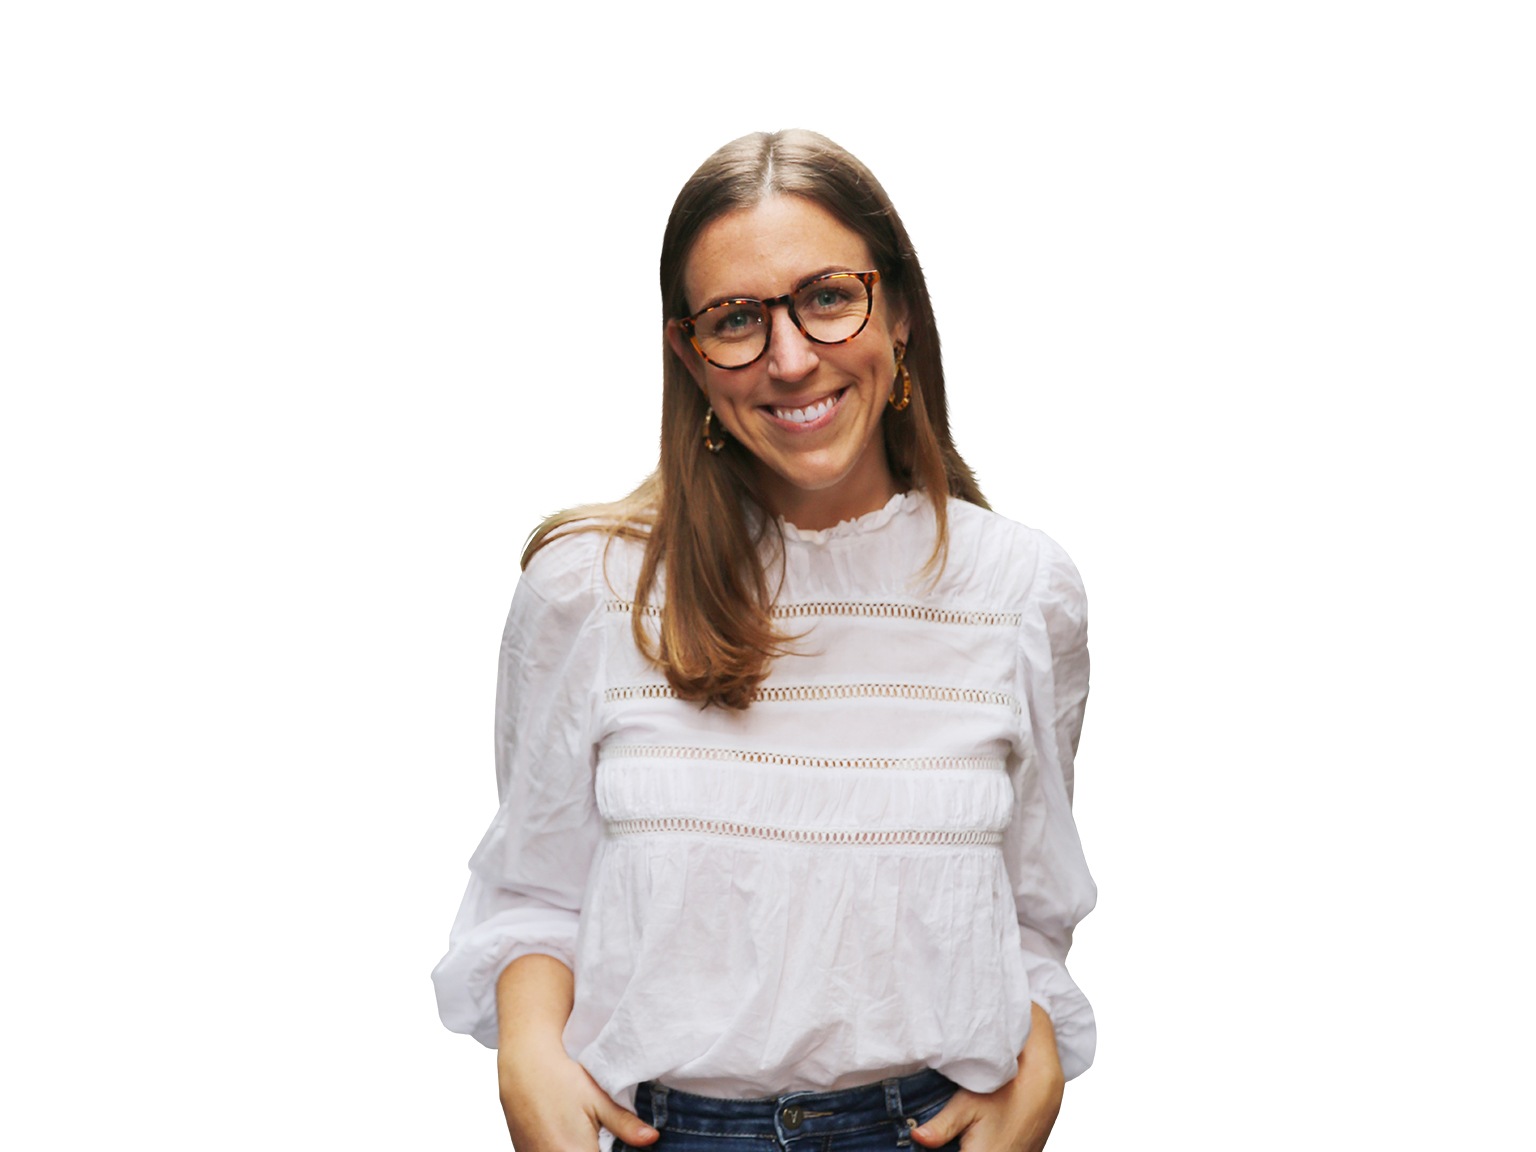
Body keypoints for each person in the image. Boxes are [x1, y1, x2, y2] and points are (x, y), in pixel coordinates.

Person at [433, 129, 1097, 1152]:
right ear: (689, 355)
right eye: (736, 319)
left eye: (827, 297)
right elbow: (534, 893)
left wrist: (1038, 1049)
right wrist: (527, 1059)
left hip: (928, 1128)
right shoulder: (591, 589)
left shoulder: (1021, 591)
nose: (789, 360)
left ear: (901, 312)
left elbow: (1027, 907)